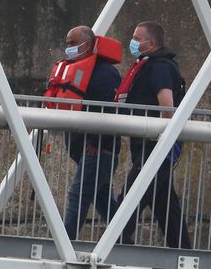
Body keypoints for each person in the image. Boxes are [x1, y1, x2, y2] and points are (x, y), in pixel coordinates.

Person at [115, 21, 191, 248]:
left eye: (137, 38)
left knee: (130, 198)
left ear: (152, 42)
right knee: (166, 206)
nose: (133, 42)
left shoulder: (160, 67)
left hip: (155, 147)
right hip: (149, 146)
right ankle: (182, 251)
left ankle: (114, 245)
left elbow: (166, 106)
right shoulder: (149, 65)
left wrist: (163, 143)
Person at [45, 26, 122, 240]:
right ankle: (126, 239)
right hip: (87, 150)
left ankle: (63, 244)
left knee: (77, 197)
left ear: (86, 45)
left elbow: (109, 110)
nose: (68, 47)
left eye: (72, 43)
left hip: (98, 151)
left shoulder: (105, 73)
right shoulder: (79, 69)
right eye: (67, 43)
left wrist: (98, 142)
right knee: (103, 201)